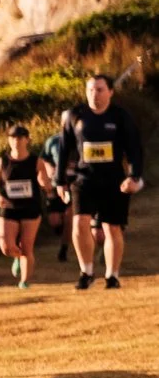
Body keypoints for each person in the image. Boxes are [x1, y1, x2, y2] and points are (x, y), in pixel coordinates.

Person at [57, 73, 147, 290]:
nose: (94, 94)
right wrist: (60, 180)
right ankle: (86, 271)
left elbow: (134, 148)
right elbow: (63, 149)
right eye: (90, 90)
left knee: (112, 228)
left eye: (99, 90)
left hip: (113, 180)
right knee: (79, 222)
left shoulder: (120, 116)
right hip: (83, 179)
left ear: (110, 92)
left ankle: (112, 275)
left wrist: (133, 176)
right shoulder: (75, 115)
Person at [0, 123, 56, 287]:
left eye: (20, 137)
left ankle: (24, 281)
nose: (16, 141)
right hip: (9, 208)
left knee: (27, 247)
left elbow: (43, 180)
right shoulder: (2, 162)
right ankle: (16, 258)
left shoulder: (35, 161)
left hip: (30, 208)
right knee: (6, 246)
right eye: (12, 138)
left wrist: (48, 188)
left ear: (27, 140)